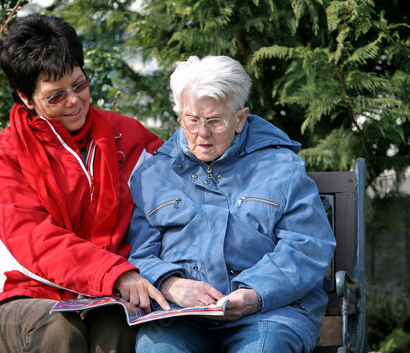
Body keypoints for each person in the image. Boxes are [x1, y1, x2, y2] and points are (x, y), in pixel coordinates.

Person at [0, 14, 169, 353]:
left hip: (102, 296)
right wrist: (116, 273)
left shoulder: (129, 135)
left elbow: (178, 197)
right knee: (58, 328)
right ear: (26, 97)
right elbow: (35, 240)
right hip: (16, 298)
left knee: (121, 322)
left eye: (79, 85)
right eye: (56, 95)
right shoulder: (4, 155)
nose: (74, 101)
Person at [125, 55, 337, 353]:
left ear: (239, 119)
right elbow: (137, 253)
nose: (202, 133)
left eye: (215, 121)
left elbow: (307, 246)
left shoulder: (281, 166)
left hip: (271, 312)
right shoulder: (154, 174)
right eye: (191, 119)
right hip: (181, 314)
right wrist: (169, 284)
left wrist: (254, 294)